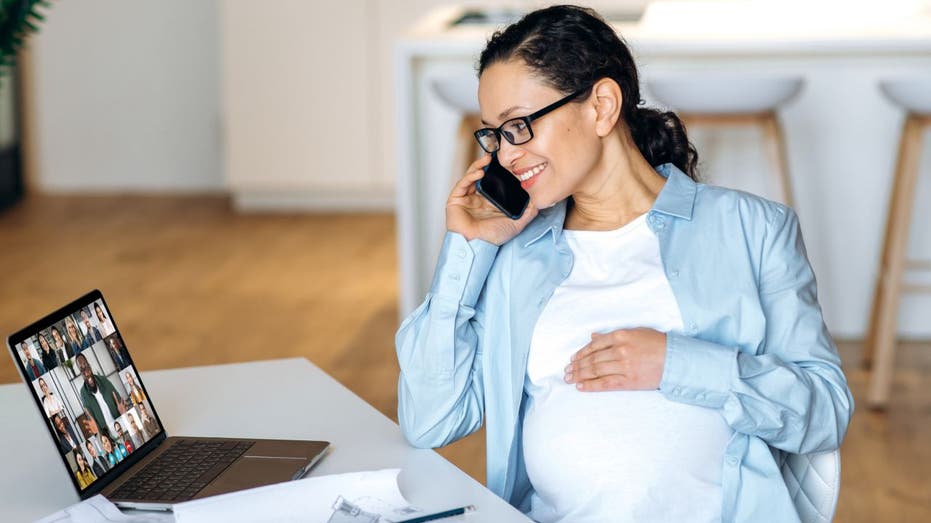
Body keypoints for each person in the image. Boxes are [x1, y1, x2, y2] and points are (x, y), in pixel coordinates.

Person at [395, 6, 854, 523]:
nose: (505, 154)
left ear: (601, 106)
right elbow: (430, 421)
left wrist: (676, 363)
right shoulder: (513, 257)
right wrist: (467, 248)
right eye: (495, 135)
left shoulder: (753, 229)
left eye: (518, 126)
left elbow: (825, 412)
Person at [75, 353, 127, 439]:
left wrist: (124, 414)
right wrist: (98, 433)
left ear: (90, 366)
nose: (86, 373)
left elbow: (120, 403)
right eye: (82, 370)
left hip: (122, 426)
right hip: (108, 437)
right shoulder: (83, 394)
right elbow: (93, 422)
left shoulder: (103, 380)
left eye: (86, 366)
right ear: (81, 374)